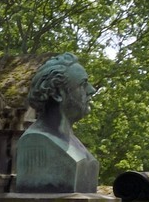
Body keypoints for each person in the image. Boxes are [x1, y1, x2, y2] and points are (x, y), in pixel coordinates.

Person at [15, 52, 98, 194]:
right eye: (83, 84)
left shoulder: (73, 143)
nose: (91, 90)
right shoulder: (36, 141)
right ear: (57, 94)